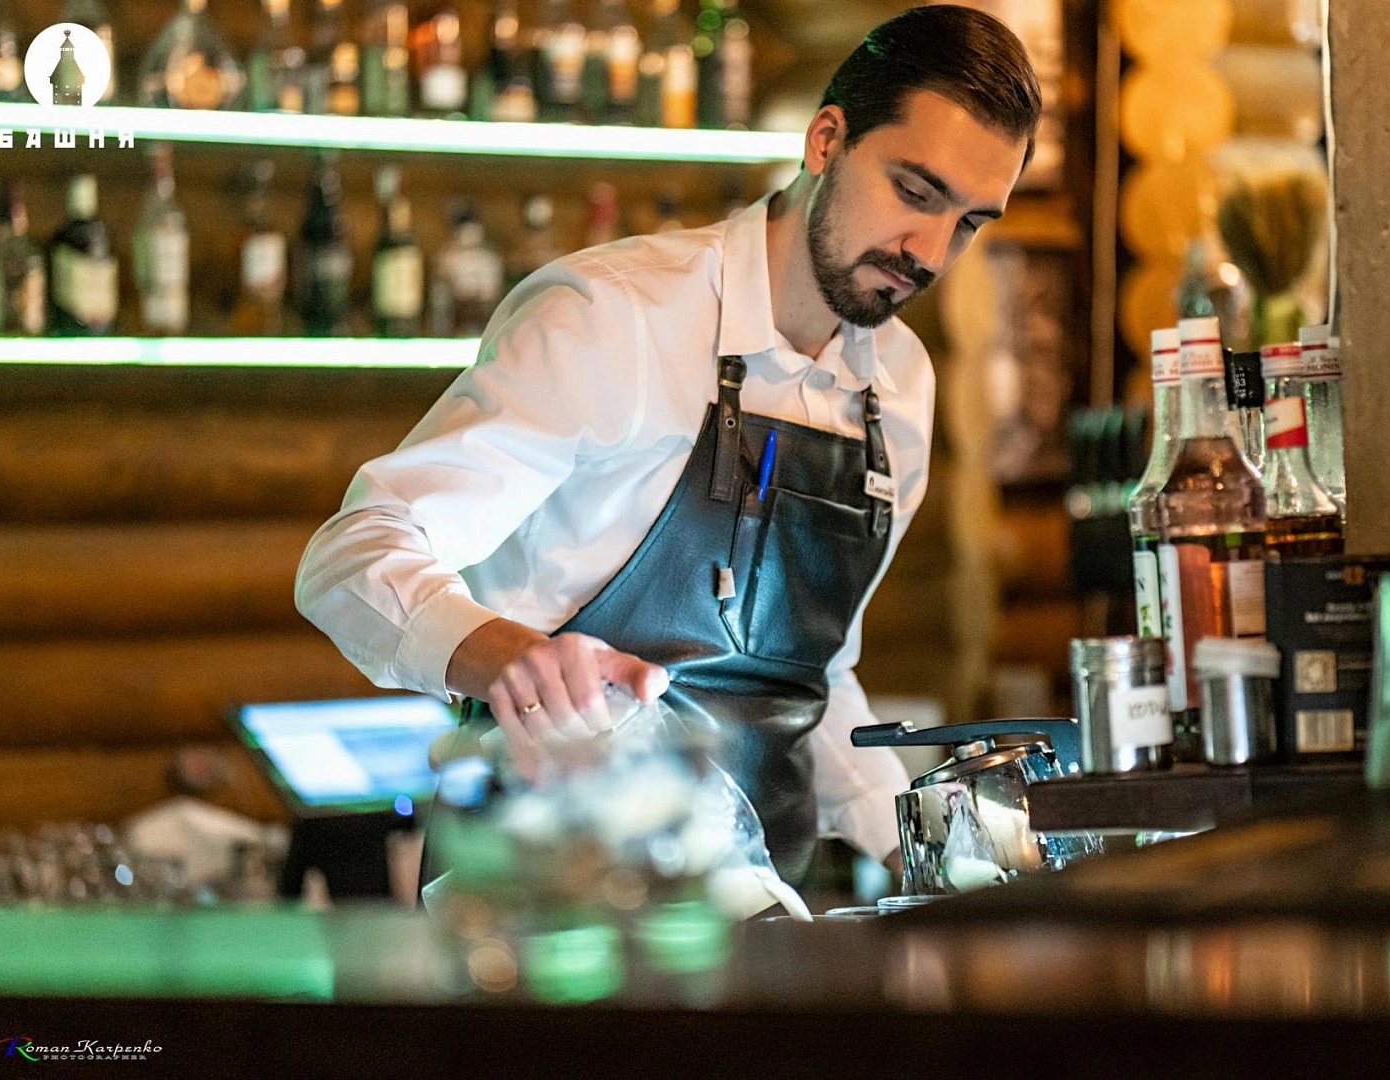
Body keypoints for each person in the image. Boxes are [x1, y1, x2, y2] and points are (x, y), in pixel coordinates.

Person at [295, 4, 1042, 885]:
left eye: (969, 222)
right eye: (914, 193)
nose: (931, 251)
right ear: (826, 141)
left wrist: (946, 867)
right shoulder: (612, 318)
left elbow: (815, 682)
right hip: (549, 898)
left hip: (765, 916)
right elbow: (354, 553)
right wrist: (507, 658)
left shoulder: (901, 387)